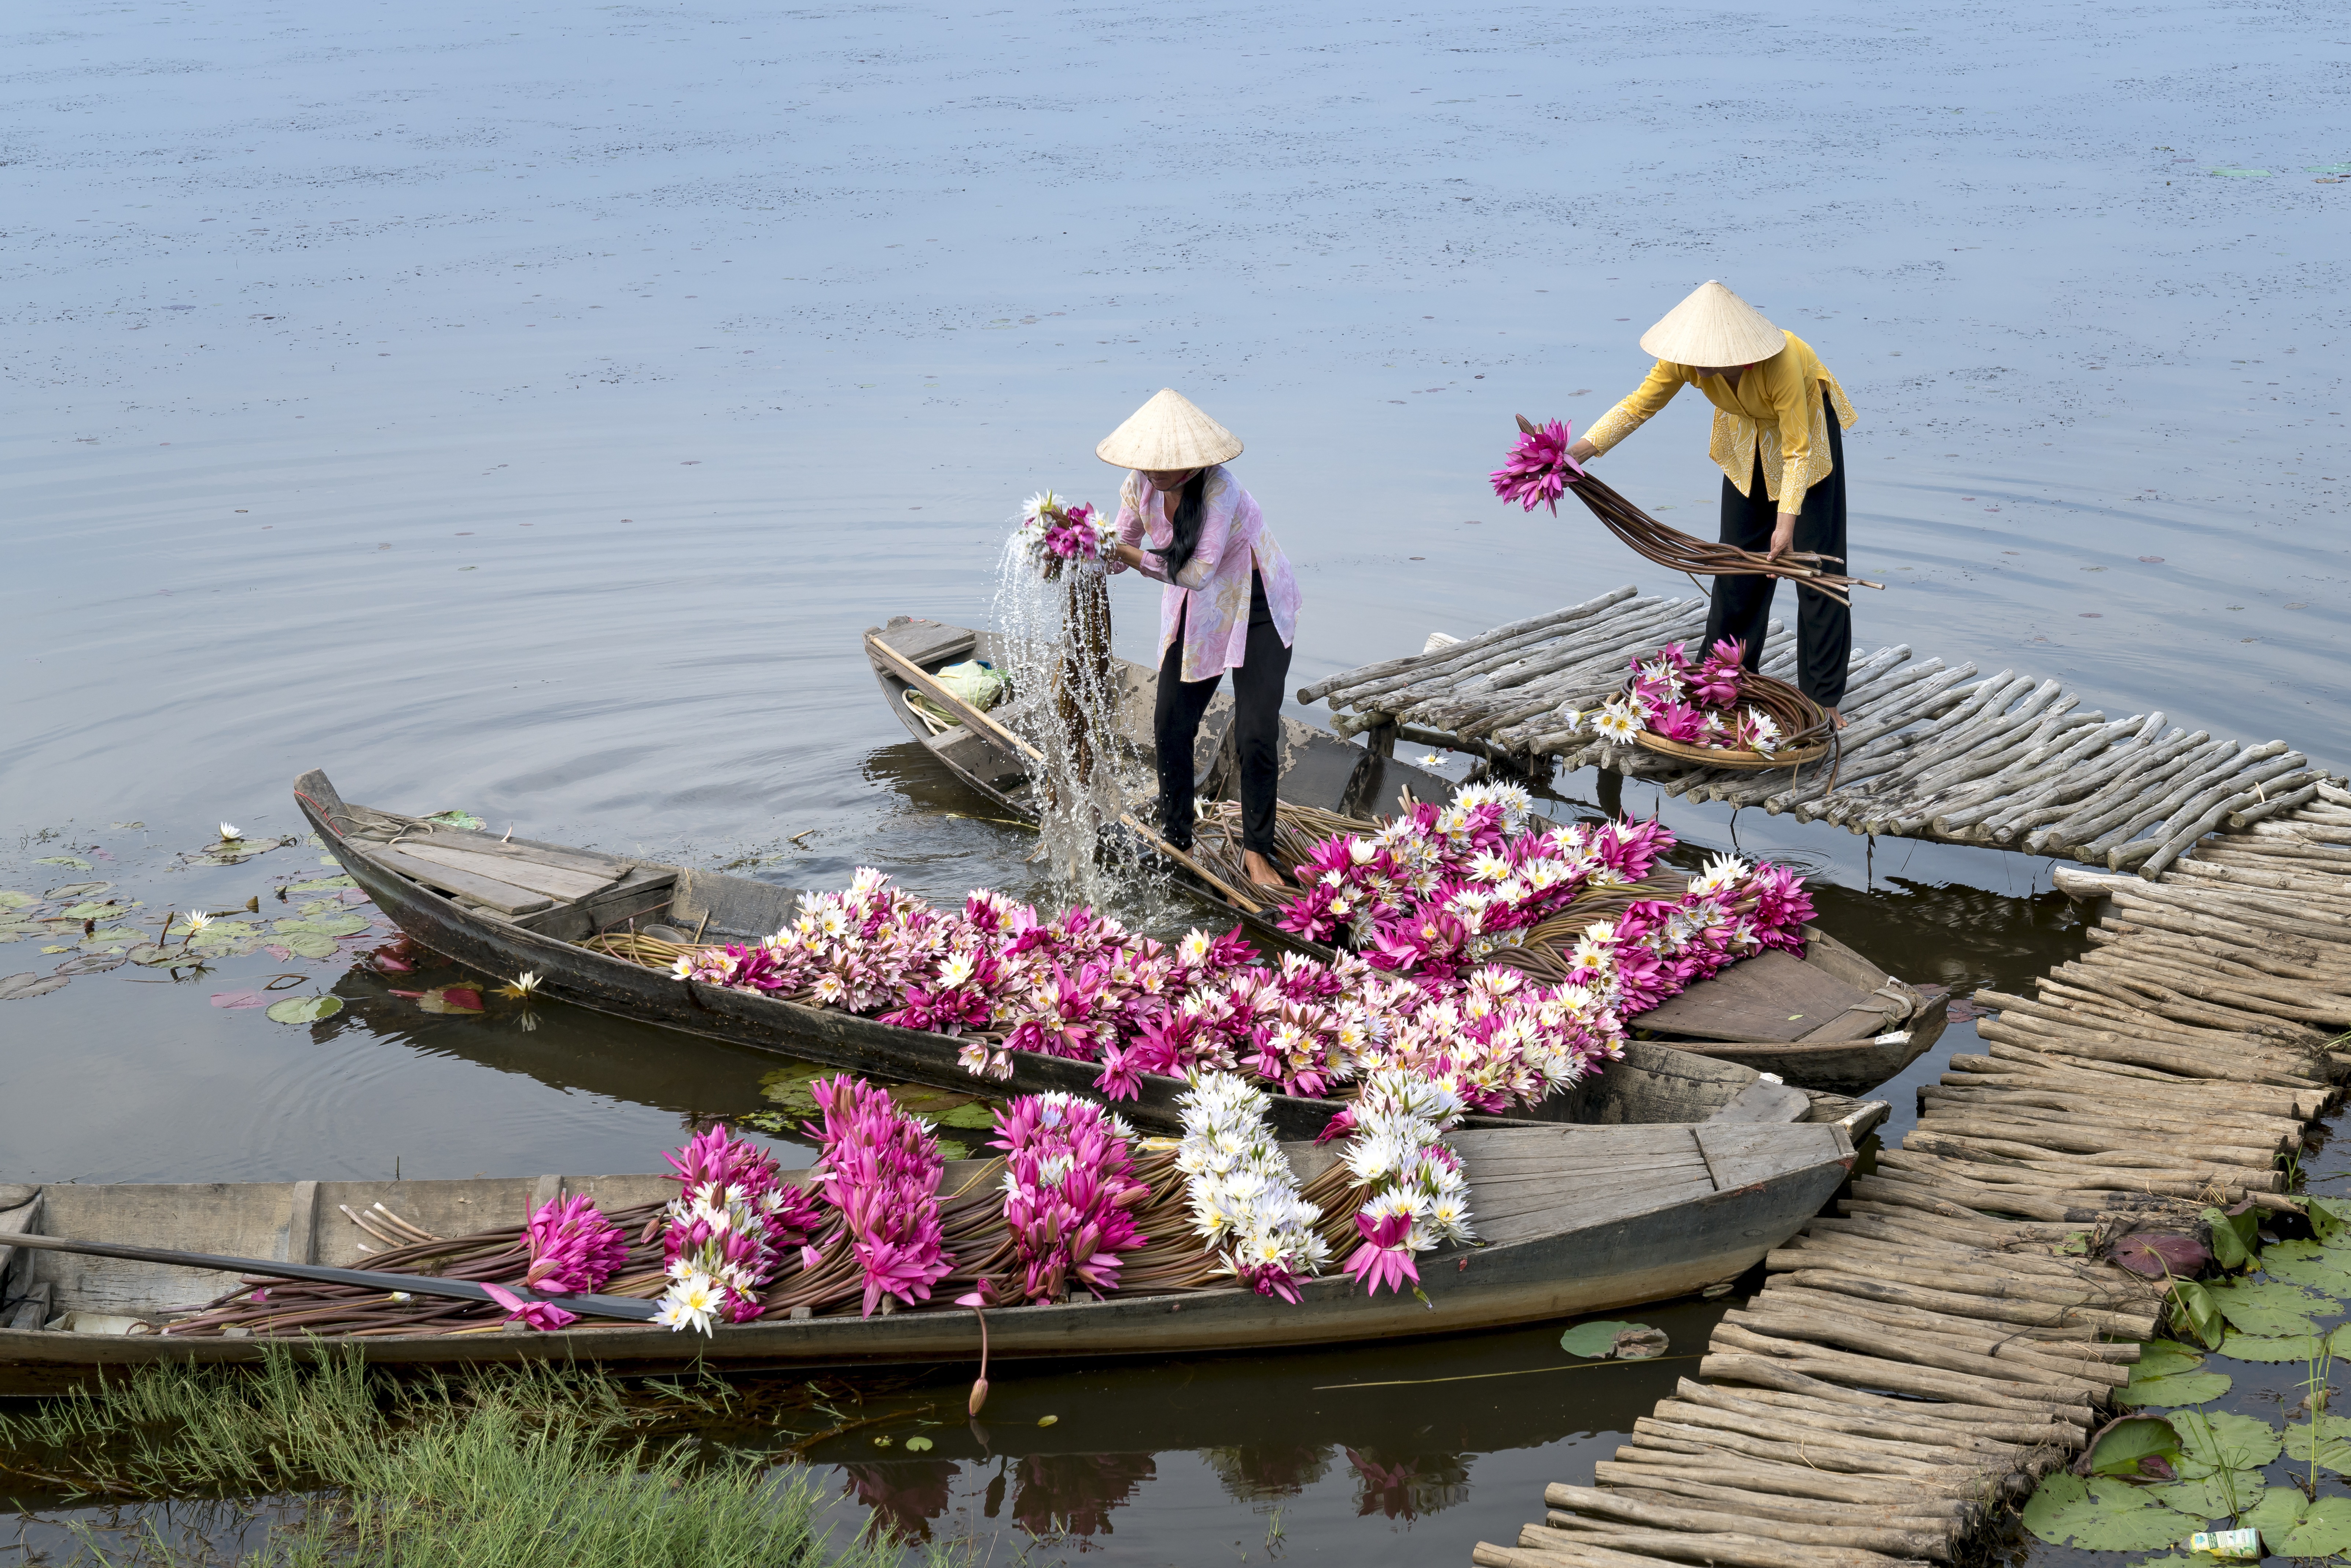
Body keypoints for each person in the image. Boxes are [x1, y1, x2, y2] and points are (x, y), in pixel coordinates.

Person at [1567, 280, 1859, 724]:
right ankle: (1725, 674)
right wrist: (1576, 454)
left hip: (1806, 439)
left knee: (1816, 566)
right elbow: (1637, 406)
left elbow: (1797, 451)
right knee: (1737, 558)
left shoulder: (1782, 362)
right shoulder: (1686, 359)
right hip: (1745, 437)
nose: (1696, 369)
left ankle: (1824, 695)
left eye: (1708, 361)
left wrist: (1786, 525)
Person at [1098, 389, 1301, 890]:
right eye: (1150, 463)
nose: (1158, 472)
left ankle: (1257, 854)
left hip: (1255, 606)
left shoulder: (1219, 489)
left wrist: (1122, 554)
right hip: (1198, 612)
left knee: (1255, 731)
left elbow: (1197, 573)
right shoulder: (1139, 485)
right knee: (1170, 722)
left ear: (1192, 459)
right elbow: (1116, 550)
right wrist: (1080, 542)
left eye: (1168, 464)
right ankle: (1179, 841)